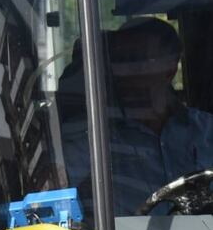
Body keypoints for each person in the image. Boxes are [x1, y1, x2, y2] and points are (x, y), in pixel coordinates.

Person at [64, 17, 213, 216]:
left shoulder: (207, 131)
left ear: (170, 69)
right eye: (120, 62)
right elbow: (55, 191)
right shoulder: (93, 141)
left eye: (137, 61)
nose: (126, 74)